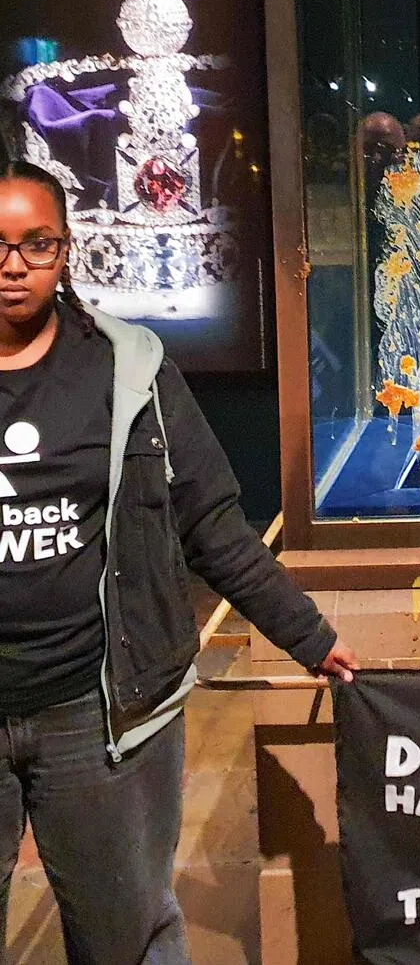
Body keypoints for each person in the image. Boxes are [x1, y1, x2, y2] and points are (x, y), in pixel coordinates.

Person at [0, 159, 359, 963]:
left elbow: (213, 523)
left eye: (37, 243)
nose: (13, 264)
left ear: (66, 251)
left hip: (98, 721)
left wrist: (309, 634)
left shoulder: (127, 367)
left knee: (126, 934)